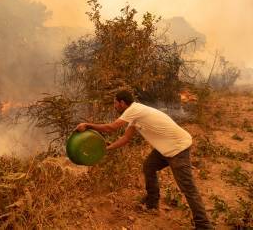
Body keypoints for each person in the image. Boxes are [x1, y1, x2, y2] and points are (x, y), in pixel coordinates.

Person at [75, 90, 213, 230]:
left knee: (188, 188)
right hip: (166, 148)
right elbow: (125, 138)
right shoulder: (135, 114)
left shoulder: (134, 109)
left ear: (122, 103)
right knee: (149, 166)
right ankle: (152, 202)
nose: (114, 106)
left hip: (178, 148)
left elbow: (112, 128)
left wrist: (88, 125)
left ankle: (204, 225)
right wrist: (107, 149)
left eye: (115, 103)